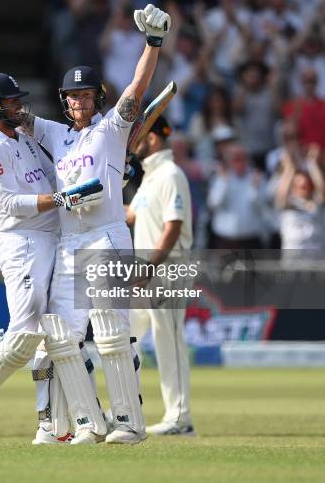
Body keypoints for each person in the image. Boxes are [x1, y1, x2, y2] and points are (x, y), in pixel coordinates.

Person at [22, 3, 171, 445]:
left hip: (107, 236)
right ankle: (84, 424)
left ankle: (128, 422)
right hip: (71, 240)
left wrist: (153, 43)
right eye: (72, 96)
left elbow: (138, 88)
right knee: (62, 337)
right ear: (65, 101)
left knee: (109, 332)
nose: (78, 101)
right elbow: (12, 117)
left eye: (86, 96)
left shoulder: (112, 128)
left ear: (96, 100)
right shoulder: (53, 133)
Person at [0, 72, 103, 442]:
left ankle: (50, 425)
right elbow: (8, 205)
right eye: (12, 101)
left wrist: (94, 180)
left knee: (55, 333)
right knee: (25, 334)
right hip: (23, 244)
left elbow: (57, 176)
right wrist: (59, 200)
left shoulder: (23, 139)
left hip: (53, 238)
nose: (19, 106)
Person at [126, 116, 195, 436]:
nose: (133, 142)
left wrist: (149, 265)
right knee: (126, 335)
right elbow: (129, 214)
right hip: (146, 272)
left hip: (166, 269)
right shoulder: (151, 177)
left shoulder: (170, 174)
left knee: (168, 339)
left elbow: (174, 226)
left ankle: (180, 417)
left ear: (152, 138)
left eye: (137, 136)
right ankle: (126, 410)